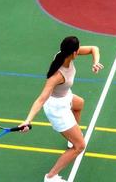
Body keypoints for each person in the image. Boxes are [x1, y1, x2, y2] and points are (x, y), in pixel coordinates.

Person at [21, 36, 103, 182]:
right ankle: (50, 177)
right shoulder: (57, 76)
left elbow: (93, 49)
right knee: (80, 146)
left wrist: (96, 63)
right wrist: (28, 120)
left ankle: (72, 138)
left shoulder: (62, 54)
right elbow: (41, 99)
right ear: (75, 53)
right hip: (56, 108)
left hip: (65, 97)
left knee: (79, 104)